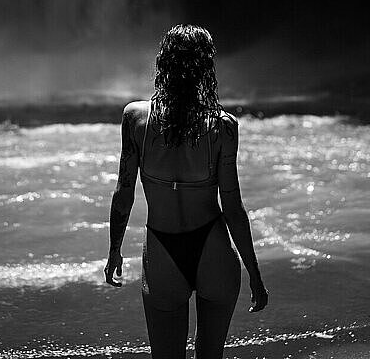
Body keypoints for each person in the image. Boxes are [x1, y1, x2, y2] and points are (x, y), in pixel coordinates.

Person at [104, 24, 268, 359]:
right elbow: (233, 206)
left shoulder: (135, 118)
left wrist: (115, 250)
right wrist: (254, 273)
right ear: (206, 68)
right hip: (214, 249)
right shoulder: (222, 126)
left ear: (162, 63)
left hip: (163, 250)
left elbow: (124, 192)